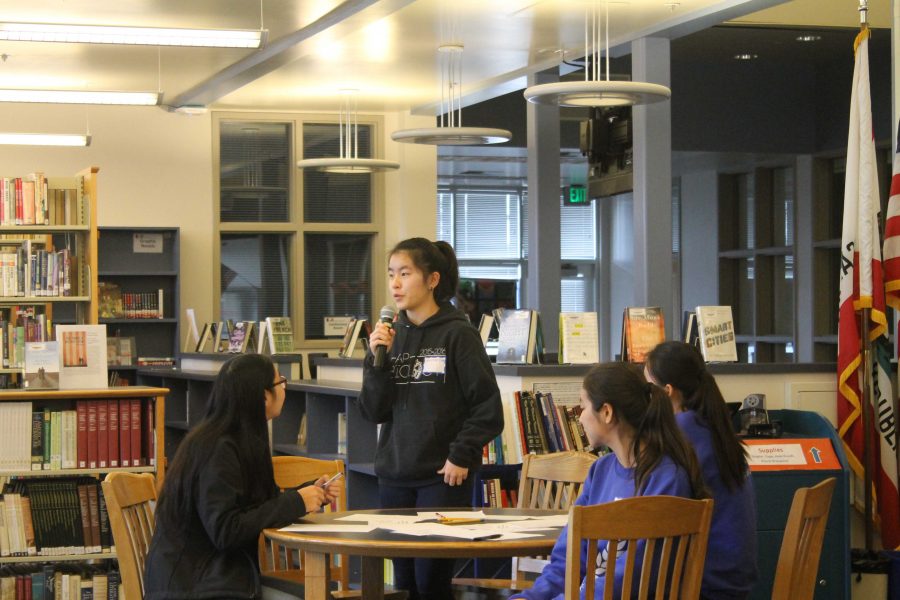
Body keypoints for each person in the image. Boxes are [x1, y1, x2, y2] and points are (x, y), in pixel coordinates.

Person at [359, 237, 504, 600]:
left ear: (432, 280)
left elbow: (488, 408)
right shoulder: (391, 336)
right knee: (403, 586)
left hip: (441, 476)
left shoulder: (459, 334)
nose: (395, 284)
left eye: (405, 274)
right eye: (391, 274)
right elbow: (374, 411)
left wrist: (462, 454)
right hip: (394, 474)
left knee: (431, 584)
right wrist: (377, 359)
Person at [144, 354, 343, 600]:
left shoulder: (237, 439)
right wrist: (297, 501)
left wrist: (309, 492)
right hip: (195, 587)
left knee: (322, 595)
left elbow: (257, 506)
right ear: (263, 396)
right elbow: (226, 531)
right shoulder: (218, 448)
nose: (284, 388)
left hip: (216, 577)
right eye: (280, 382)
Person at [512, 362, 707, 600]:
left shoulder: (667, 479)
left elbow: (632, 576)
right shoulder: (600, 471)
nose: (580, 417)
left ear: (606, 412)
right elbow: (569, 558)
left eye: (583, 406)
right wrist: (531, 597)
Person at [645, 341, 758, 600]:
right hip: (733, 577)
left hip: (706, 583)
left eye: (649, 389)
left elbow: (656, 514)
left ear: (668, 391)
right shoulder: (710, 425)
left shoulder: (681, 436)